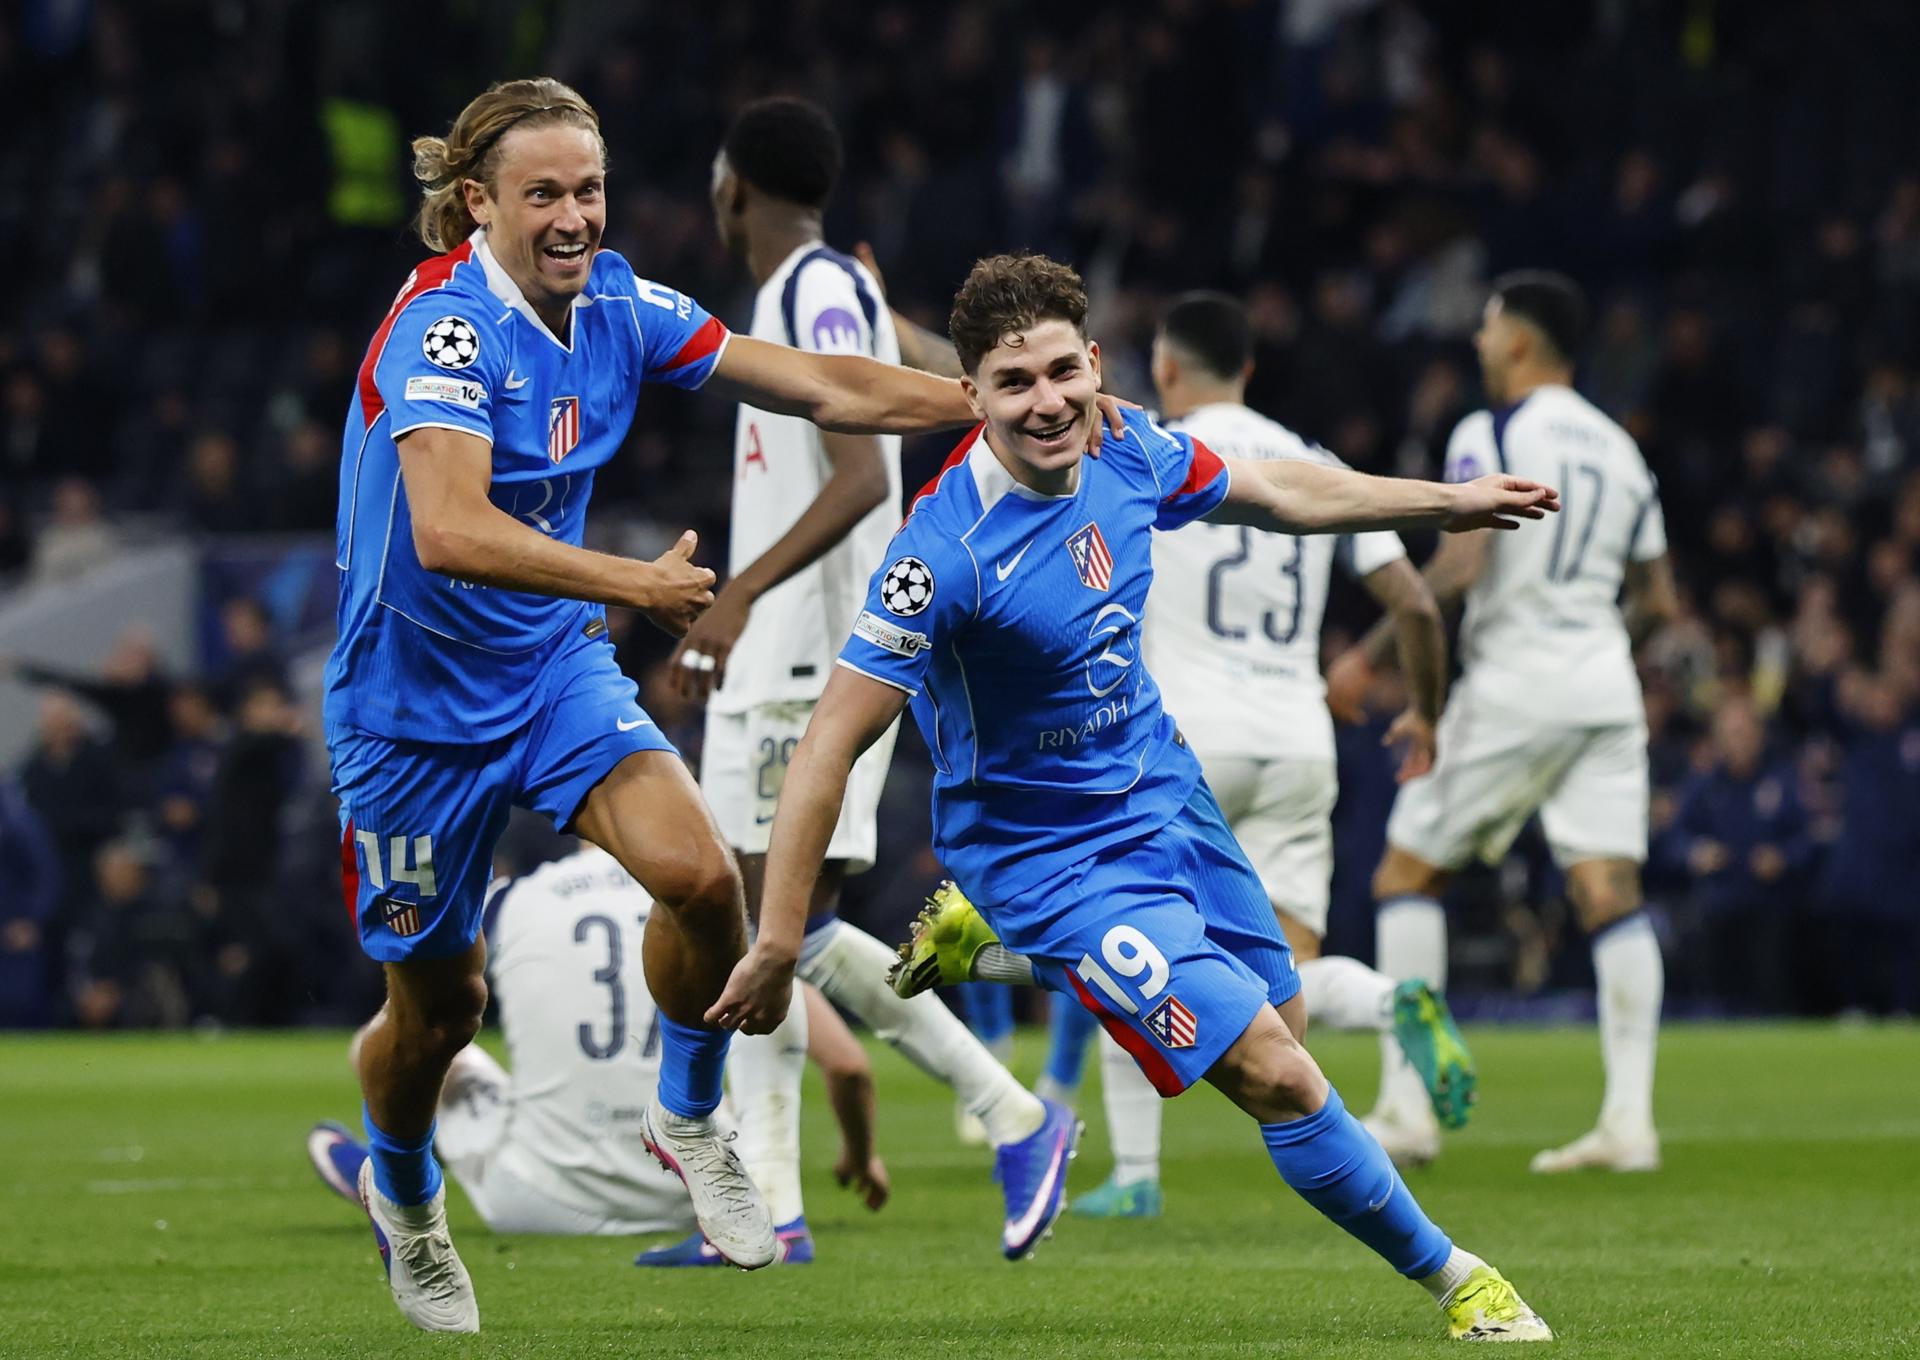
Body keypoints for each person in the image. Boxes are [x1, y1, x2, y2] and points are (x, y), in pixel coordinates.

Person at [324, 78, 1119, 1330]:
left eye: (589, 188)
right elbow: (447, 528)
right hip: (407, 710)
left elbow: (822, 387)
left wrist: (998, 404)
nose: (577, 215)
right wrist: (633, 580)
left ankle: (689, 1113)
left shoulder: (623, 304)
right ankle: (410, 1199)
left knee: (705, 883)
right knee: (437, 1010)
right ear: (479, 203)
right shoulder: (445, 328)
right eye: (545, 194)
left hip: (548, 669)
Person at [712, 253, 1556, 1340]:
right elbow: (830, 738)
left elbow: (1278, 492)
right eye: (1013, 384)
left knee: (1286, 1018)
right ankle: (1462, 1283)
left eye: (1063, 371)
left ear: (1097, 363)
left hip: (1164, 790)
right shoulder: (942, 556)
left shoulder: (1127, 445)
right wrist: (781, 938)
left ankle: (993, 943)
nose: (1048, 401)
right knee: (1279, 1077)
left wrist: (1447, 502)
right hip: (1049, 858)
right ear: (969, 396)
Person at [647, 96, 1061, 1264]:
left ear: (731, 188)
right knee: (776, 920)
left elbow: (858, 477)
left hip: (806, 647)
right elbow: (947, 393)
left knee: (757, 914)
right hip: (798, 646)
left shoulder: (810, 289)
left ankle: (1009, 1114)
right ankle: (773, 1206)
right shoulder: (824, 294)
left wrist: (742, 592)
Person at [957, 291, 1476, 1221]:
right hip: (1299, 739)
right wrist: (1425, 710)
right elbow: (1416, 602)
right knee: (1284, 969)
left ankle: (1138, 1173)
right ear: (1248, 365)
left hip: (1175, 747)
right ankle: (1390, 997)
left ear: (1156, 366)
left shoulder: (1128, 442)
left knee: (1135, 940)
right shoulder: (1306, 457)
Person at [1324, 271, 1678, 1174]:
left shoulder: (1491, 432)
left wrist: (1371, 655)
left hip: (1519, 681)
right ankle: (1630, 1126)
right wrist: (1594, 640)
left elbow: (1455, 571)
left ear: (1519, 340)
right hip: (1603, 685)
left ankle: (1409, 1110)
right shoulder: (1620, 447)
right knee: (1609, 894)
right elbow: (1660, 602)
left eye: (1486, 330)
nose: (1478, 345)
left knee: (1406, 874)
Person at [308, 845, 886, 1260]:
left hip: (536, 1197)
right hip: (692, 1199)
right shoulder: (718, 914)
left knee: (423, 1049)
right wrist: (861, 1156)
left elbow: (419, 1024)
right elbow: (848, 1065)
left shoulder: (513, 901)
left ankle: (386, 1169)